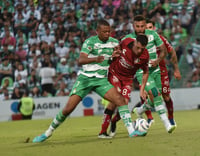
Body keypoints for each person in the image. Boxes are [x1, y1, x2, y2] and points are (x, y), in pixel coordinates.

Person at [32, 19, 146, 143]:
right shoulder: (90, 42)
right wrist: (95, 58)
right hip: (85, 79)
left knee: (120, 100)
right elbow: (80, 60)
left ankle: (131, 131)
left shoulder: (114, 43)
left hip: (101, 80)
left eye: (109, 31)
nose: (107, 34)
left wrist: (114, 58)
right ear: (97, 31)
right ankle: (48, 132)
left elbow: (113, 58)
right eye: (104, 32)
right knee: (68, 109)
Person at [110, 15, 175, 136]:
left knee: (157, 97)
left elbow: (164, 50)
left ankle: (139, 110)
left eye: (142, 26)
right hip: (141, 71)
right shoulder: (128, 39)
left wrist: (158, 60)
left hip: (156, 70)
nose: (140, 29)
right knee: (154, 93)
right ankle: (167, 123)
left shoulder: (153, 35)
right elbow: (118, 50)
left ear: (145, 25)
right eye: (137, 26)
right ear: (133, 26)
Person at [98, 34, 149, 138]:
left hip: (128, 80)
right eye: (137, 47)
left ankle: (113, 121)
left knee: (124, 103)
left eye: (142, 49)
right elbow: (117, 47)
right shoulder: (126, 42)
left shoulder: (144, 56)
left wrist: (142, 89)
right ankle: (103, 132)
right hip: (114, 74)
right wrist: (114, 53)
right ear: (134, 42)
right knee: (115, 101)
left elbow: (146, 72)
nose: (139, 51)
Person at [140, 19, 182, 126]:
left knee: (166, 96)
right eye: (146, 27)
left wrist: (176, 69)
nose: (148, 29)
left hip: (160, 71)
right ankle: (149, 117)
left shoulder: (160, 39)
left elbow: (172, 52)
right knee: (148, 94)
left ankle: (171, 118)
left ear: (154, 28)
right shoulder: (139, 41)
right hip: (144, 71)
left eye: (150, 27)